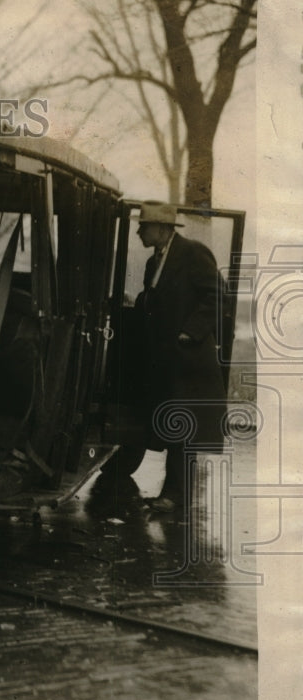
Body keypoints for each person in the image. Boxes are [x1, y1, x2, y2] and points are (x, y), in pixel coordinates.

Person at [135, 201, 227, 513]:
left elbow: (217, 295)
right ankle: (172, 494)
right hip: (166, 362)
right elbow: (156, 301)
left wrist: (191, 332)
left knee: (182, 431)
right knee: (173, 429)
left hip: (188, 361)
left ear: (162, 229)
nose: (138, 231)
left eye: (144, 226)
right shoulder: (154, 262)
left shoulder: (192, 253)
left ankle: (175, 497)